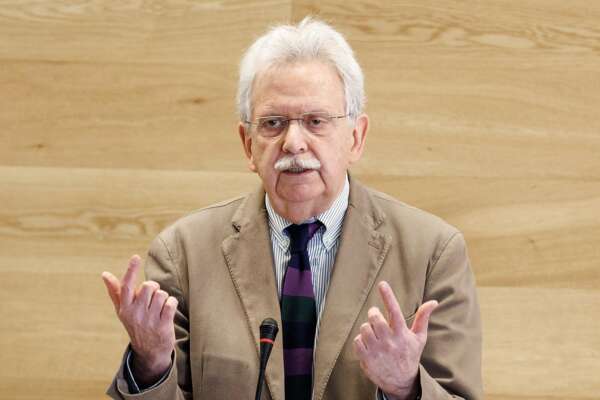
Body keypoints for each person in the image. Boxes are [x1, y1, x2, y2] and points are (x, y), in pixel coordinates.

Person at [102, 17, 482, 400]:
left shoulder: (433, 253)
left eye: (316, 121)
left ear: (356, 137)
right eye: (273, 123)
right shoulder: (183, 254)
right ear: (248, 144)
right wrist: (150, 364)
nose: (293, 142)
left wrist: (406, 386)